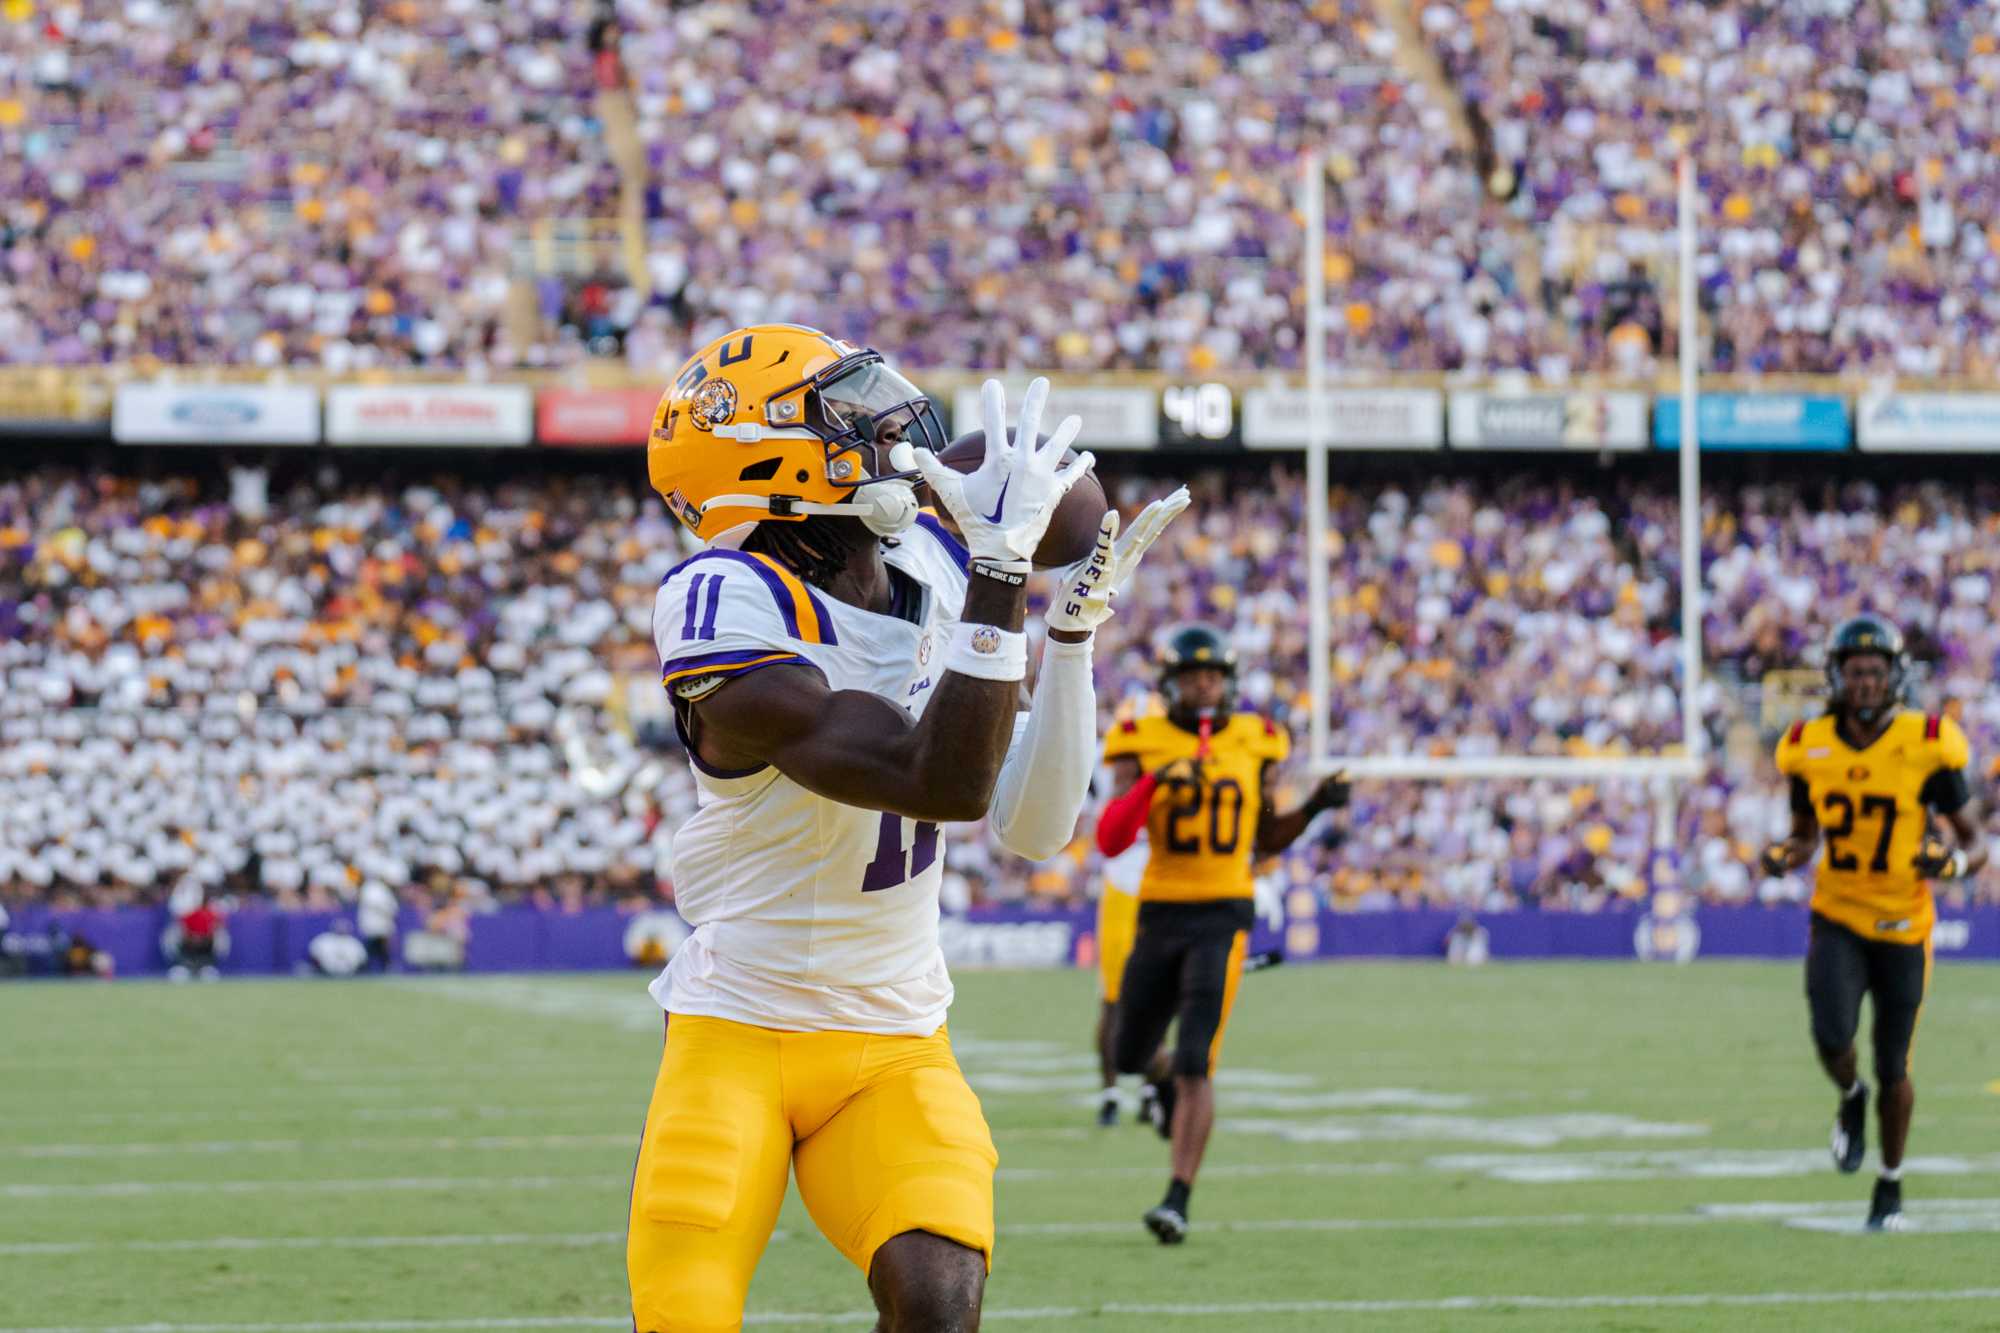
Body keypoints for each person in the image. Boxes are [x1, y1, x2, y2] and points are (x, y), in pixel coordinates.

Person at [625, 323, 1188, 1332]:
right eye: (842, 417)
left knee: (940, 1303)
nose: (888, 426)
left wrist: (1064, 641)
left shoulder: (926, 554)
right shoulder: (723, 599)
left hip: (891, 1034)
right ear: (762, 460)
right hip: (738, 1028)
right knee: (687, 1316)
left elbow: (1029, 824)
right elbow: (931, 780)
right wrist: (1000, 579)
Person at [1095, 624, 1348, 1244]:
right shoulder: (1139, 738)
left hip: (1225, 913)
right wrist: (1159, 780)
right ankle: (1159, 1091)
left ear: (1228, 681)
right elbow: (1111, 837)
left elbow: (1263, 838)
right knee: (1126, 1054)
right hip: (1160, 909)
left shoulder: (1256, 738)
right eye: (1192, 675)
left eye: (1213, 675)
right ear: (1171, 683)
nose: (1204, 685)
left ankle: (1177, 1198)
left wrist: (1314, 807)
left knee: (1196, 1059)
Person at [1761, 614, 1987, 1231]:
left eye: (1875, 671)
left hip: (1905, 925)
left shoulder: (1929, 742)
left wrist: (1953, 862)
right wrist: (1786, 853)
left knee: (1895, 1067)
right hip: (1837, 913)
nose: (1864, 682)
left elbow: (1976, 842)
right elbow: (1806, 834)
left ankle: (1889, 1184)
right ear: (1838, 676)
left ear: (1894, 677)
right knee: (1832, 1037)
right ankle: (1849, 1096)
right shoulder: (1809, 743)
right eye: (1855, 671)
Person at [1092, 835, 1149, 1128]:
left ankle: (1150, 1089)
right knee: (1113, 1000)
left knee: (1158, 995)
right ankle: (1111, 1094)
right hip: (1123, 886)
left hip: (1160, 886)